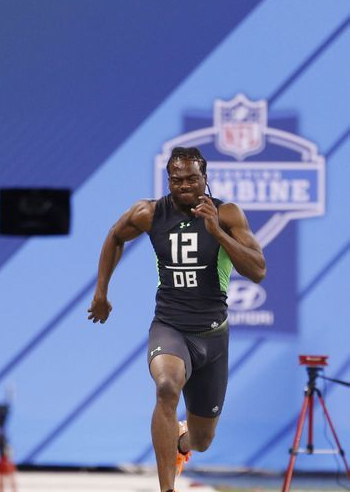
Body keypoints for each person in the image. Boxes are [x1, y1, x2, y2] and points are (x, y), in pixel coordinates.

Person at [87, 146, 266, 492]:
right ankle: (167, 488)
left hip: (212, 338)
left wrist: (216, 231)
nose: (184, 185)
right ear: (168, 180)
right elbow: (114, 236)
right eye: (176, 179)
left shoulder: (227, 214)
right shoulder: (150, 213)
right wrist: (101, 293)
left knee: (202, 440)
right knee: (167, 386)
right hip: (170, 328)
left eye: (191, 179)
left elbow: (257, 270)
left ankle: (181, 445)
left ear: (205, 179)